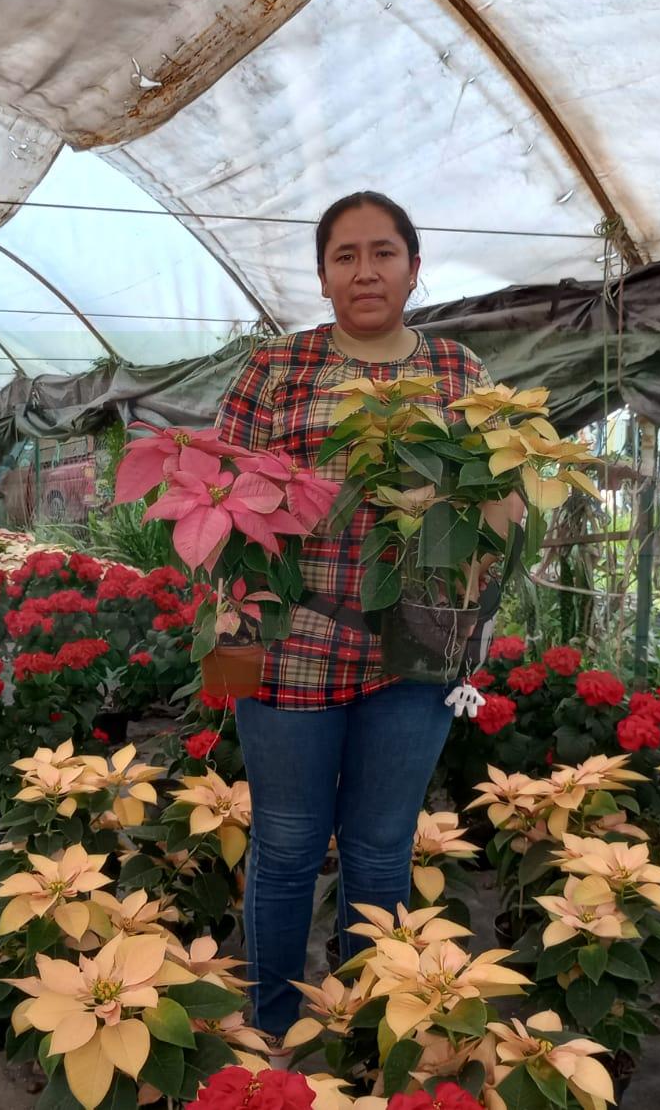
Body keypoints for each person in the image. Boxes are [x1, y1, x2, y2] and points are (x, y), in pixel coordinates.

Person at [215, 190, 489, 1034]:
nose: (365, 271)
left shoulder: (460, 373)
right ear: (324, 275)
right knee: (288, 845)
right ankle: (270, 1032)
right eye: (345, 256)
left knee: (380, 847)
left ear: (414, 266)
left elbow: (495, 501)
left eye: (383, 252)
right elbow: (218, 499)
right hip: (289, 643)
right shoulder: (276, 370)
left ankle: (374, 1032)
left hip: (418, 646)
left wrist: (479, 570)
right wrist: (229, 649)